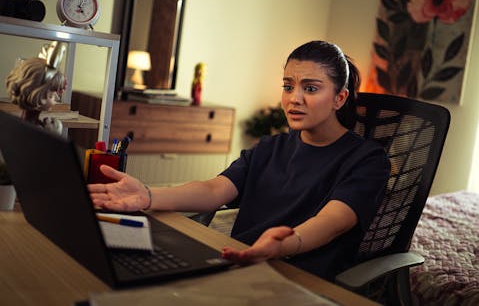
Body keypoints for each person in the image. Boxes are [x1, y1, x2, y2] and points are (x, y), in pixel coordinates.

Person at [89, 40, 390, 281]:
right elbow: (213, 190)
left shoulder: (367, 160)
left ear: (339, 98)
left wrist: (284, 245)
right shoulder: (270, 147)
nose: (294, 98)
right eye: (288, 86)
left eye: (310, 88)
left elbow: (331, 223)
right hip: (240, 267)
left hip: (298, 280)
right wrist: (147, 195)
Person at [5, 41, 67, 133]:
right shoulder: (30, 131)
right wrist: (52, 137)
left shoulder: (17, 123)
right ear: (37, 96)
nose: (57, 98)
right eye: (51, 96)